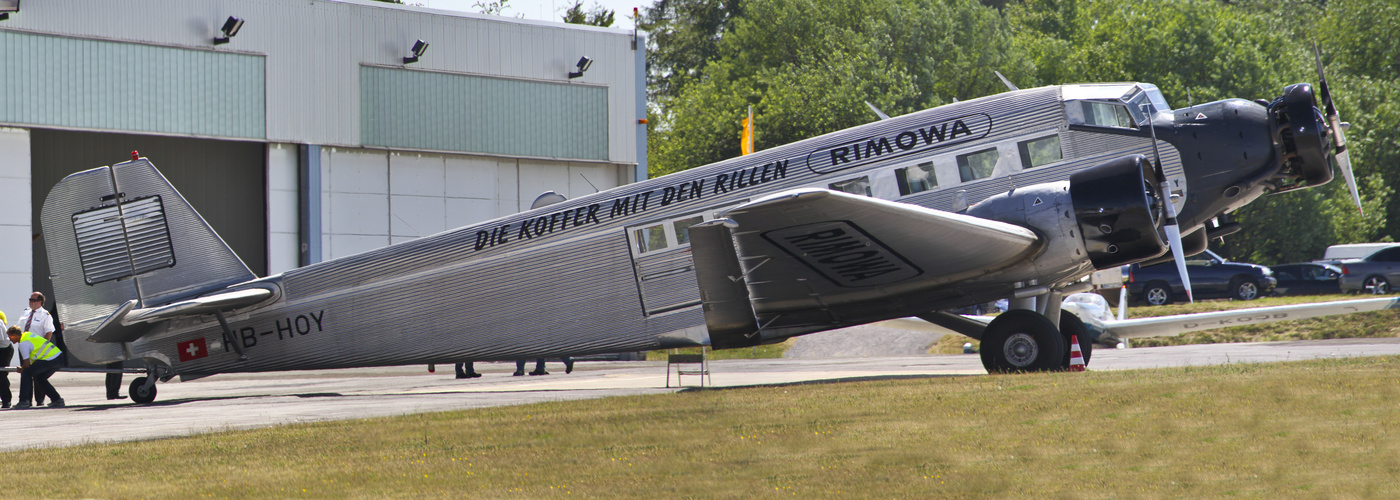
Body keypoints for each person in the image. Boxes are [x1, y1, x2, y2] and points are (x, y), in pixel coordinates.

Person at [9, 326, 64, 409]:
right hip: (58, 358)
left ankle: (24, 401)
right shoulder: (27, 335)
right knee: (39, 378)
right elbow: (32, 361)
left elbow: (27, 364)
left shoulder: (23, 343)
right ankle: (57, 400)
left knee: (26, 373)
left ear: (14, 335)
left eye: (10, 337)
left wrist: (22, 368)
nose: (10, 339)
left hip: (49, 359)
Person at [17, 293, 56, 406]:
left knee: (38, 375)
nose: (30, 302)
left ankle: (40, 400)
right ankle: (25, 400)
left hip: (37, 350)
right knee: (25, 373)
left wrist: (43, 349)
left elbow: (48, 332)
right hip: (24, 348)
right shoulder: (26, 312)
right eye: (29, 299)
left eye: (32, 300)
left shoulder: (45, 315)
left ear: (40, 301)